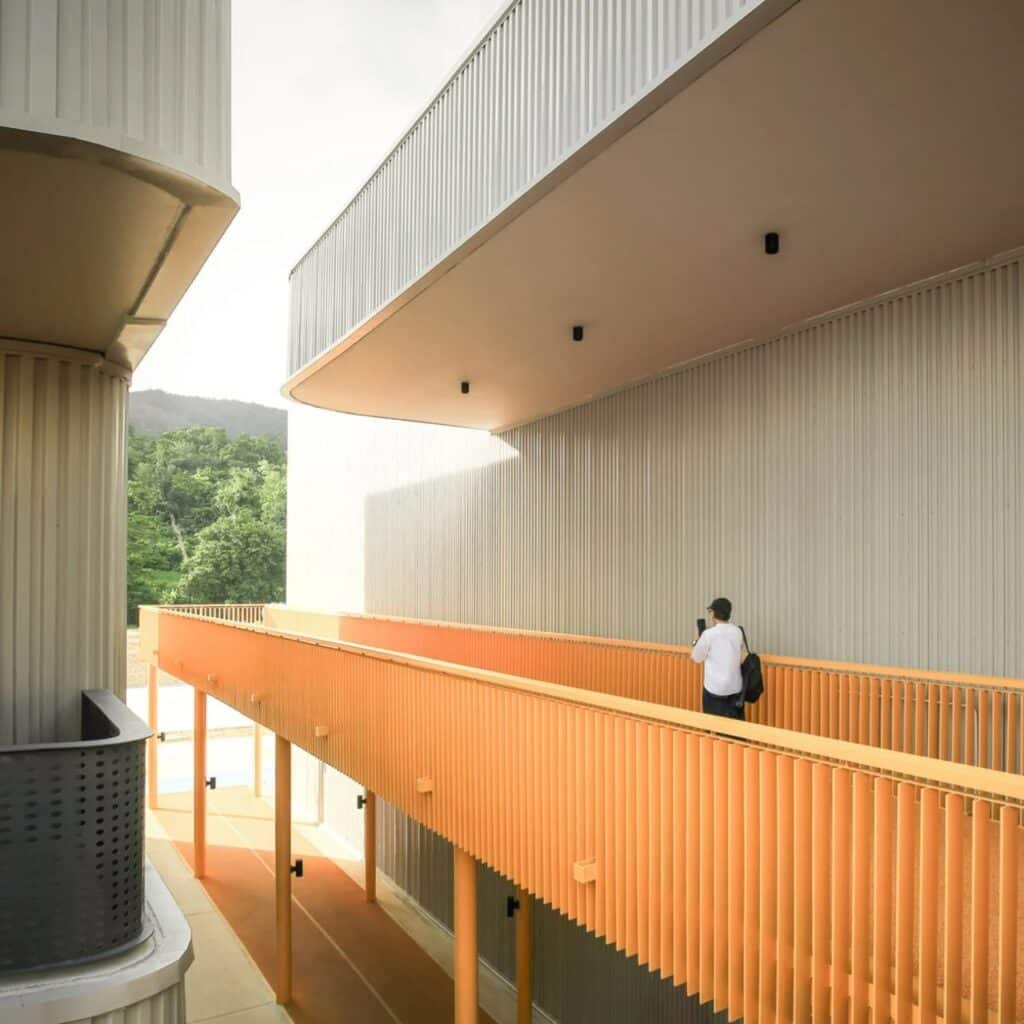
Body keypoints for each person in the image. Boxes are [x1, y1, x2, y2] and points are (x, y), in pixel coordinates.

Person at [690, 597, 744, 720]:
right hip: (735, 687)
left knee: (713, 726)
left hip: (714, 689)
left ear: (713, 614)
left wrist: (696, 641)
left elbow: (697, 657)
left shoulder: (708, 634)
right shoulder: (738, 631)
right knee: (735, 727)